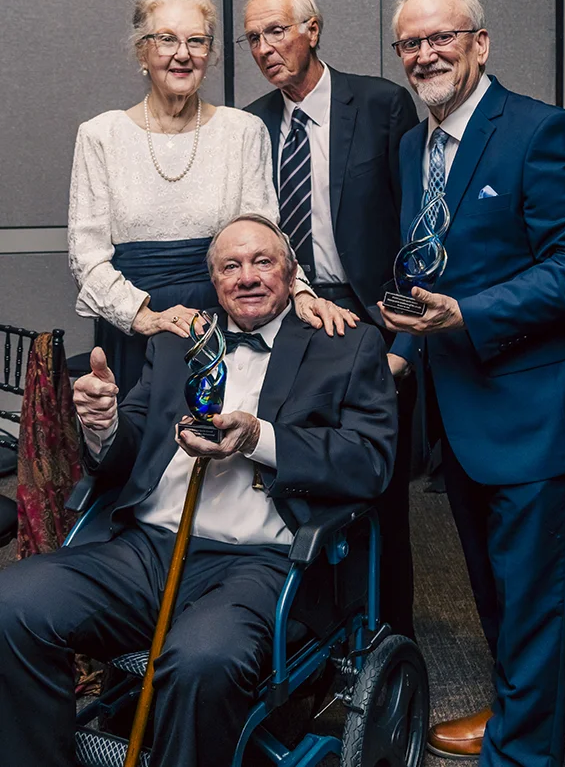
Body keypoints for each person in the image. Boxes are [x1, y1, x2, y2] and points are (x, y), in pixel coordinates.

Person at [0, 215, 398, 767]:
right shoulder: (177, 342)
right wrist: (103, 422)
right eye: (230, 266)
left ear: (290, 272)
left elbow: (371, 463)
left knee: (202, 660)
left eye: (263, 261)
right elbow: (129, 442)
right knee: (12, 603)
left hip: (260, 564)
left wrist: (261, 438)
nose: (248, 277)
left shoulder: (347, 345)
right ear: (214, 282)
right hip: (147, 551)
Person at [380, 0, 565, 767]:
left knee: (537, 606)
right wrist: (400, 357)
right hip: (457, 411)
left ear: (480, 43)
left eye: (442, 37)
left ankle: (524, 750)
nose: (425, 54)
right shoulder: (416, 144)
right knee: (495, 594)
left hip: (535, 416)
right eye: (411, 42)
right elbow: (421, 271)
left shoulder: (544, 131)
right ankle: (515, 709)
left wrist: (470, 315)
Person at [68, 0, 352, 397]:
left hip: (225, 325)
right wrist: (146, 318)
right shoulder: (99, 136)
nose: (183, 54)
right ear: (142, 51)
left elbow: (265, 235)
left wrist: (301, 292)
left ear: (210, 54)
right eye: (167, 39)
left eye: (197, 41)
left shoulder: (243, 130)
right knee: (139, 448)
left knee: (224, 449)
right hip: (133, 332)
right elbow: (86, 258)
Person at [242, 0, 419, 638]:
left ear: (312, 29)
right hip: (290, 318)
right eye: (253, 37)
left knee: (379, 492)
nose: (264, 48)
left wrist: (404, 349)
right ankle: (315, 637)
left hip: (371, 321)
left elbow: (415, 237)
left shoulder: (380, 105)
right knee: (297, 482)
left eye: (276, 32)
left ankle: (389, 639)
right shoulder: (252, 123)